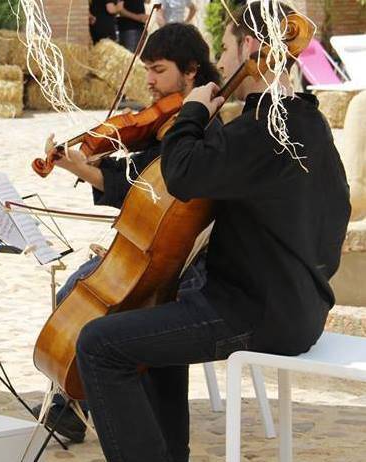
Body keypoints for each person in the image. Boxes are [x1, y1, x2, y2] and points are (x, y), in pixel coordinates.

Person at [75, 2, 351, 461]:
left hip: (255, 314)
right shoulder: (310, 122)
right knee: (157, 309)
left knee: (99, 344)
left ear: (250, 47)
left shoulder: (260, 130)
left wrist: (192, 113)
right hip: (302, 306)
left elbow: (182, 172)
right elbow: (336, 210)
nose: (221, 64)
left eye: (224, 49)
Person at [32, 23, 222, 444]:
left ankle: (98, 410)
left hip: (187, 265)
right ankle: (76, 404)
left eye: (157, 70)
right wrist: (85, 168)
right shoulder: (173, 119)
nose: (149, 81)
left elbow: (153, 186)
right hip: (157, 248)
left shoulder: (201, 123)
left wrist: (90, 171)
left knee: (91, 304)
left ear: (191, 71)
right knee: (78, 289)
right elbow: (141, 178)